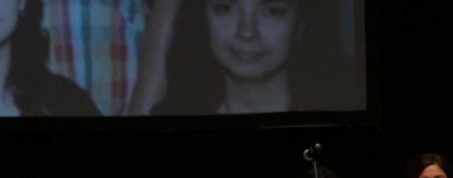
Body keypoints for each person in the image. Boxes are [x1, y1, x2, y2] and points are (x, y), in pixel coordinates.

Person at [151, 0, 354, 114]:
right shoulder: (174, 114)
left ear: (300, 24)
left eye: (273, 12)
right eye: (225, 8)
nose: (247, 32)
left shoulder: (340, 112)